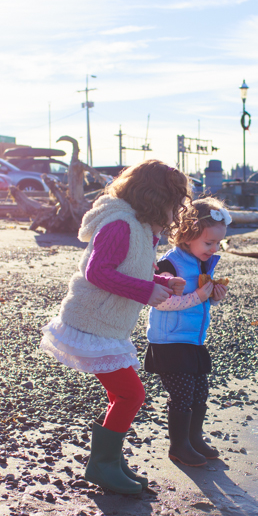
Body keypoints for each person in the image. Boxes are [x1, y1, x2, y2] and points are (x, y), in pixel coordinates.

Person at [39, 160, 189, 494]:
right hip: (89, 322)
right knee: (131, 394)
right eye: (173, 202)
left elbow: (129, 270)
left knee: (119, 394)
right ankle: (102, 465)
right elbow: (98, 272)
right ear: (155, 196)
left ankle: (111, 460)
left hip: (107, 325)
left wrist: (161, 280)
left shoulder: (139, 226)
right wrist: (147, 290)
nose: (174, 210)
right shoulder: (120, 224)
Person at [145, 198, 230, 466]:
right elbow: (162, 301)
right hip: (169, 341)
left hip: (193, 339)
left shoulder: (203, 263)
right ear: (188, 234)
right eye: (209, 243)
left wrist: (214, 296)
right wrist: (197, 296)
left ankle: (195, 438)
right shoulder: (171, 264)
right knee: (182, 394)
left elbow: (201, 300)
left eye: (218, 243)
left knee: (200, 392)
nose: (214, 248)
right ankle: (178, 446)